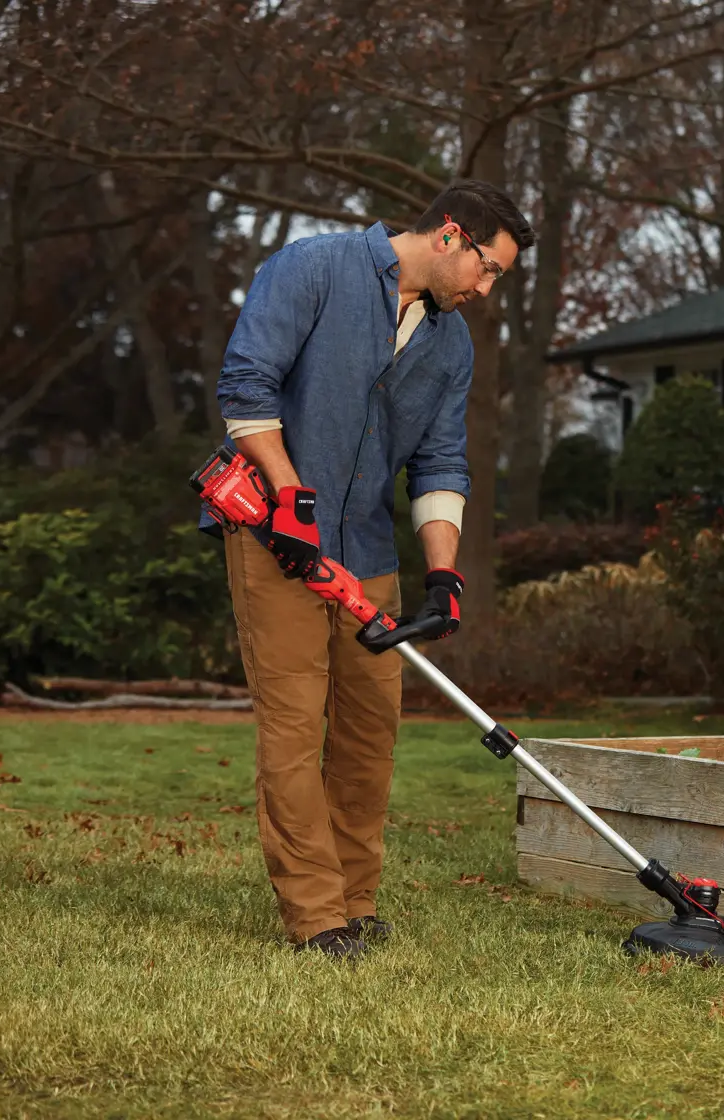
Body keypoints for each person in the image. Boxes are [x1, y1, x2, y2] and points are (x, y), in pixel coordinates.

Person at [213, 179, 535, 959]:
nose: (488, 290)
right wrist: (290, 499)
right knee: (293, 729)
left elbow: (439, 460)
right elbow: (245, 386)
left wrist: (444, 574)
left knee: (368, 735)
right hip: (270, 534)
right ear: (451, 235)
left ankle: (356, 902)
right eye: (489, 269)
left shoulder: (450, 343)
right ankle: (316, 916)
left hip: (364, 553)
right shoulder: (313, 270)